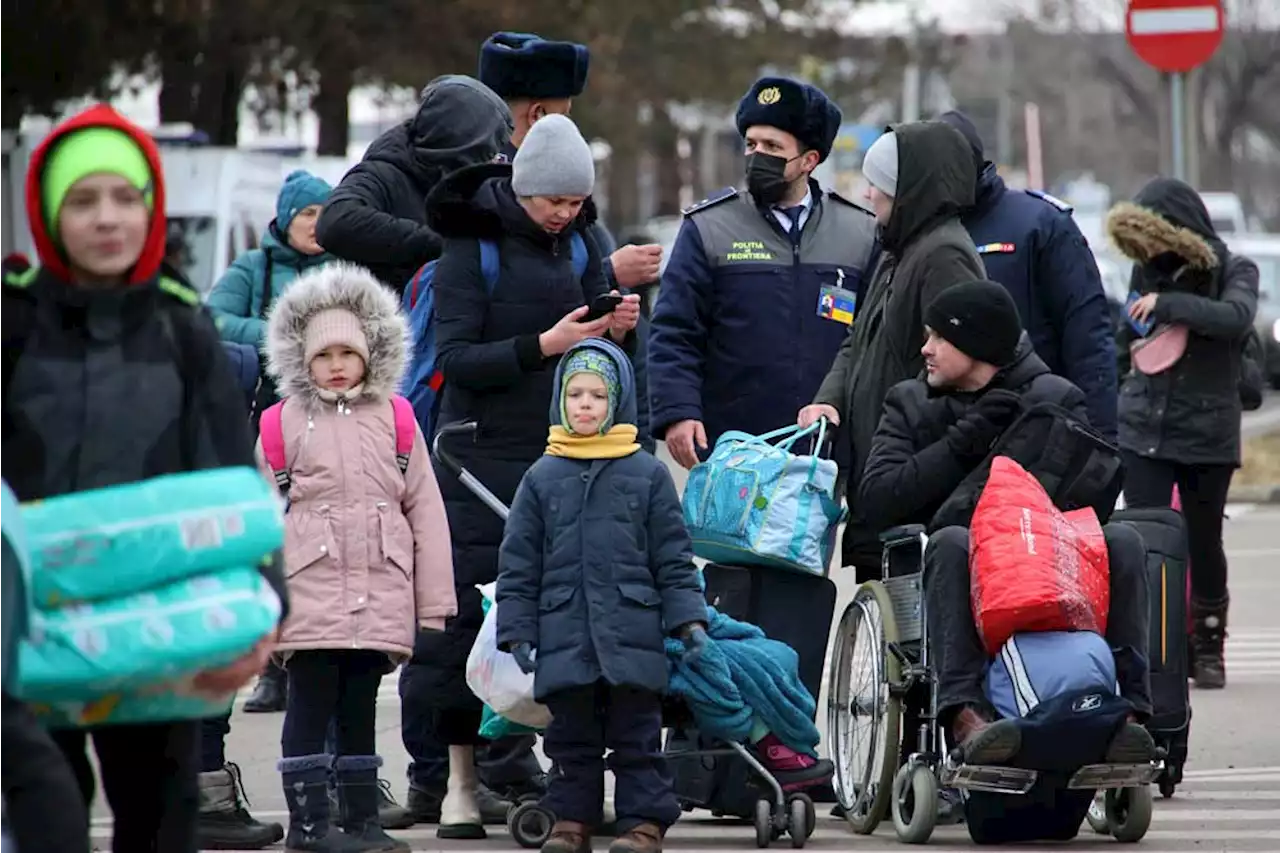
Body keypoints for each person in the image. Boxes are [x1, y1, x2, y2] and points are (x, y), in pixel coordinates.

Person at [0, 103, 287, 853]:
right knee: (48, 816)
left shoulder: (183, 326)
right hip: (30, 629)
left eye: (126, 197)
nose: (106, 218)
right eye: (84, 199)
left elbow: (235, 477)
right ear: (46, 212)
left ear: (152, 210)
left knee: (161, 816)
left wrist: (265, 606)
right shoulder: (13, 325)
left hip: (158, 625)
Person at [401, 113, 641, 839]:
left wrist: (614, 329)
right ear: (521, 187)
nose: (564, 214)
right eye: (552, 202)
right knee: (463, 623)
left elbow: (596, 353)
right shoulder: (469, 245)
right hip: (475, 457)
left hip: (565, 453)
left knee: (563, 620)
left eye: (574, 202)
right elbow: (457, 358)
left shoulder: (582, 244)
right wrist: (546, 345)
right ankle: (455, 784)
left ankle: (560, 778)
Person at [857, 280, 1155, 766]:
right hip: (961, 558)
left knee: (1123, 540)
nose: (924, 349)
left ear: (975, 344)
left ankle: (1130, 718)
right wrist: (960, 443)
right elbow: (877, 500)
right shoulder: (909, 401)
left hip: (1045, 554)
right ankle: (965, 715)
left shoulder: (1055, 397)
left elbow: (1086, 496)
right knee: (952, 542)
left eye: (938, 338)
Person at [260, 261, 458, 852]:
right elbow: (262, 525)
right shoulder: (281, 425)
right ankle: (309, 825)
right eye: (324, 356)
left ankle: (361, 820)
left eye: (349, 352)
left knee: (359, 708)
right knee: (308, 705)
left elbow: (425, 511)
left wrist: (435, 606)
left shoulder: (397, 420)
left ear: (370, 355)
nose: (338, 365)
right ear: (304, 361)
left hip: (378, 594)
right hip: (309, 596)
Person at [496, 338, 707, 853]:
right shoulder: (542, 477)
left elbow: (672, 558)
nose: (585, 405)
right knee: (571, 740)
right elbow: (518, 564)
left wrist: (688, 620)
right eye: (575, 395)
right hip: (565, 629)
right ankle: (572, 821)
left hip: (632, 630)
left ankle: (644, 822)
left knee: (638, 738)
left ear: (616, 402)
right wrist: (517, 628)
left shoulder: (647, 474)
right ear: (560, 402)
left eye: (595, 395)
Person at [196, 167, 337, 851]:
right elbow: (215, 316)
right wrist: (288, 334)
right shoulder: (253, 267)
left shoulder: (344, 269)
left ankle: (339, 783)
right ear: (286, 217)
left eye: (324, 213)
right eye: (307, 213)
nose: (317, 223)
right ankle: (204, 795)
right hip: (259, 452)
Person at [650, 76, 877, 467]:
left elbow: (873, 337)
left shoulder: (860, 231)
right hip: (732, 446)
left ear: (809, 160)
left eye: (773, 147)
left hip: (824, 447)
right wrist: (677, 411)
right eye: (751, 144)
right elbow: (675, 330)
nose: (757, 156)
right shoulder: (709, 228)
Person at [797, 120, 986, 579]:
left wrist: (904, 440)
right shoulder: (898, 252)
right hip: (882, 476)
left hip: (915, 490)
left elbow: (962, 369)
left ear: (910, 191)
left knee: (909, 634)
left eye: (878, 185)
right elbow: (857, 341)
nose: (868, 195)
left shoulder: (944, 257)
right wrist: (830, 398)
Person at [1106, 178, 1260, 690]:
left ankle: (1208, 645)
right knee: (1146, 540)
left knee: (1203, 539)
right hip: (1144, 426)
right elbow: (1128, 334)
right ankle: (1155, 649)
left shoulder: (1234, 269)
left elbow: (1236, 318)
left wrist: (1167, 304)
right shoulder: (1145, 269)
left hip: (1207, 432)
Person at [479, 30, 659, 454]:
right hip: (512, 441)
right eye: (565, 116)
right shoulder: (482, 210)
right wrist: (610, 272)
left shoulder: (569, 211)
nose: (562, 210)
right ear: (540, 115)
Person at [936, 110, 1118, 441]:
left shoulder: (1040, 224)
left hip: (1033, 425)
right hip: (945, 433)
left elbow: (1088, 338)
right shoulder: (916, 232)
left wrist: (1100, 442)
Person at [316, 75, 513, 292]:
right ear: (462, 143)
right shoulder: (383, 173)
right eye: (489, 151)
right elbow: (334, 223)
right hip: (389, 319)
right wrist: (441, 244)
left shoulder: (470, 186)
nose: (495, 160)